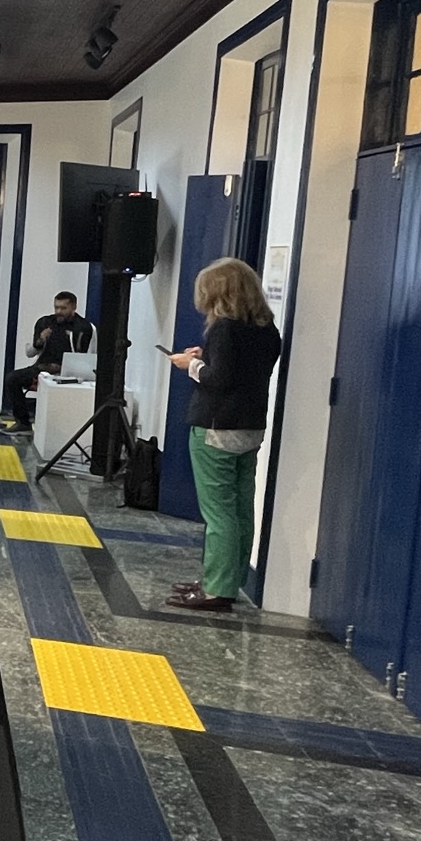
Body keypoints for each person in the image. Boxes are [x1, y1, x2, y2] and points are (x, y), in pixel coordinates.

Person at [167, 258, 283, 612]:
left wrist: (191, 364)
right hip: (251, 427)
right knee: (241, 508)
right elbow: (243, 371)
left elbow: (218, 380)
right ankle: (228, 580)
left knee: (218, 514)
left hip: (217, 428)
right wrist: (207, 358)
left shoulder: (223, 329)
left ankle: (216, 588)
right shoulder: (267, 329)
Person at [4, 291, 94, 431]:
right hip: (41, 369)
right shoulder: (45, 323)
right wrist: (40, 339)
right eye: (56, 307)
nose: (59, 311)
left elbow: (90, 356)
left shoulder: (84, 327)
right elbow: (30, 353)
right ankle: (23, 423)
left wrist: (64, 369)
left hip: (69, 373)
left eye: (63, 308)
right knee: (12, 379)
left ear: (74, 307)